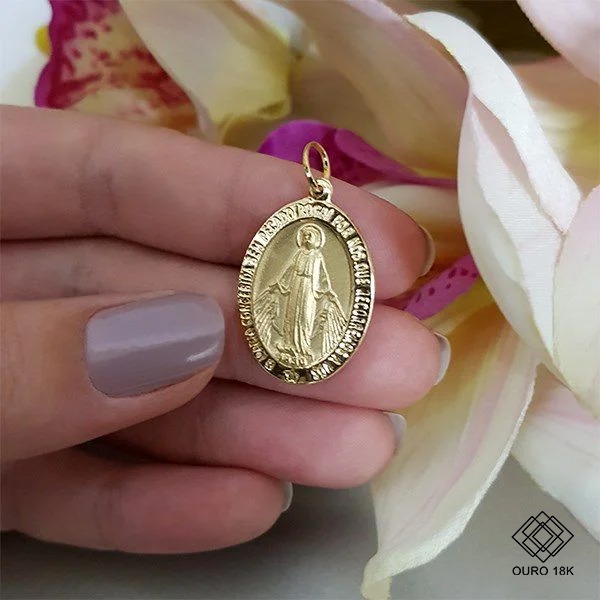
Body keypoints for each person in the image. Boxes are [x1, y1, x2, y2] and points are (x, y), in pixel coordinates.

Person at [0, 105, 446, 553]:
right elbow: (278, 280)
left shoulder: (321, 255)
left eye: (312, 240)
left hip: (312, 302)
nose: (309, 241)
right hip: (291, 299)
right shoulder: (295, 253)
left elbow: (328, 285)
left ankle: (299, 346)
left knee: (313, 335)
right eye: (308, 239)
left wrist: (325, 297)